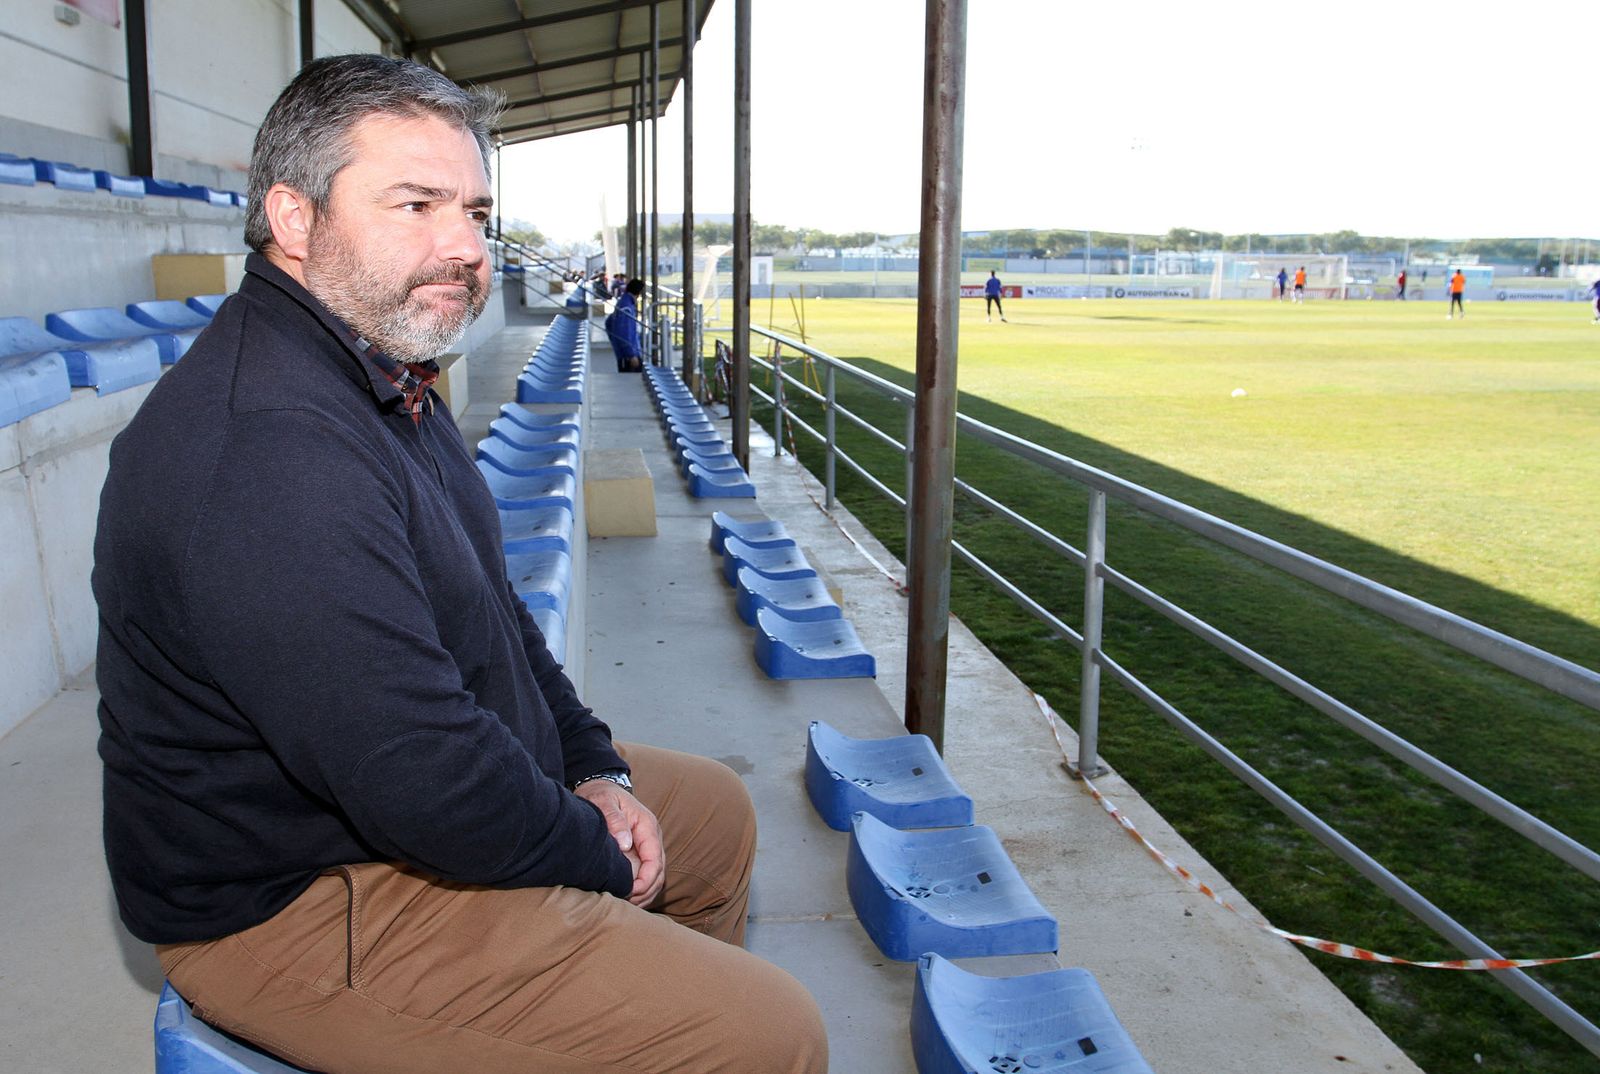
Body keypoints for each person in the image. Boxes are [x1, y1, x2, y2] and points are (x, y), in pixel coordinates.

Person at [92, 54, 825, 1074]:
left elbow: (498, 614)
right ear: (295, 220)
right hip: (298, 899)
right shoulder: (267, 452)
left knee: (709, 811)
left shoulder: (379, 373)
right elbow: (419, 777)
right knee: (766, 1032)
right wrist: (592, 849)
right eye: (416, 204)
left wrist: (593, 768)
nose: (463, 246)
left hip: (396, 808)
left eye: (475, 210)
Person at [606, 276, 645, 371]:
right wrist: (631, 354)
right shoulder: (626, 308)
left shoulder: (623, 303)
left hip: (624, 353)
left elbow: (608, 323)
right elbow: (623, 332)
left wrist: (615, 342)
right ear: (638, 293)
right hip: (629, 356)